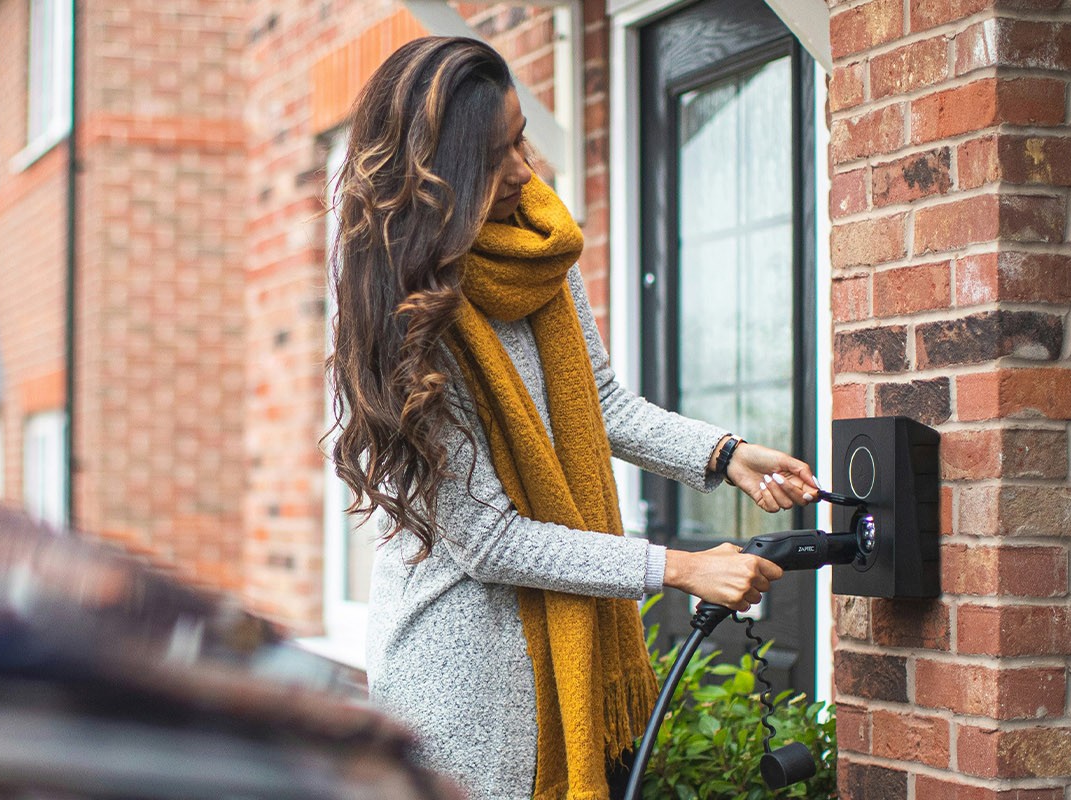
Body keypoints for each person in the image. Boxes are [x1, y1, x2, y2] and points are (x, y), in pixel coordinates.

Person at [326, 36, 821, 800]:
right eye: (496, 156)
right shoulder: (407, 318)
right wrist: (680, 569)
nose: (525, 167)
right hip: (465, 679)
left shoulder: (538, 250)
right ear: (439, 175)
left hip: (569, 645)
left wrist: (726, 454)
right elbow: (490, 540)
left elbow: (602, 403)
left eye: (520, 136)